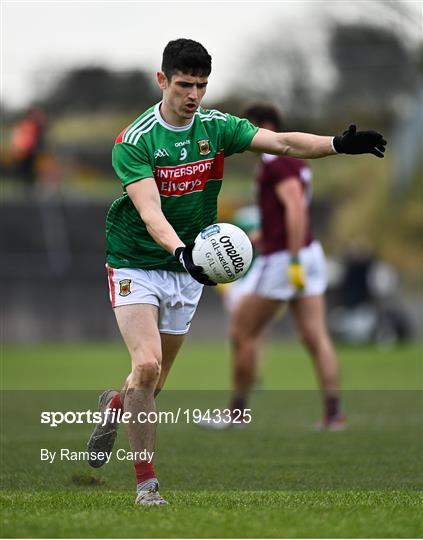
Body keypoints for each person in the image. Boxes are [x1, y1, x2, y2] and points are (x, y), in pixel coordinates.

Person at [86, 38, 386, 506]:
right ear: (161, 80)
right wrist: (184, 251)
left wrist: (337, 144)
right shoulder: (136, 140)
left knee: (154, 383)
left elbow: (282, 142)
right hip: (136, 261)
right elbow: (150, 213)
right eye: (184, 84)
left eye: (202, 86)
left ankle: (115, 405)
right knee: (145, 365)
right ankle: (147, 485)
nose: (193, 95)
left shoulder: (216, 126)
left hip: (188, 272)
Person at [202, 103, 345, 431]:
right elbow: (288, 212)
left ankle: (236, 414)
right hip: (307, 252)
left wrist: (291, 258)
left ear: (265, 125)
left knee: (242, 330)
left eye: (250, 128)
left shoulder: (275, 161)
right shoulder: (293, 160)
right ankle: (335, 415)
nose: (245, 138)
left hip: (287, 258)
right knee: (316, 336)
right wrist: (258, 236)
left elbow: (295, 207)